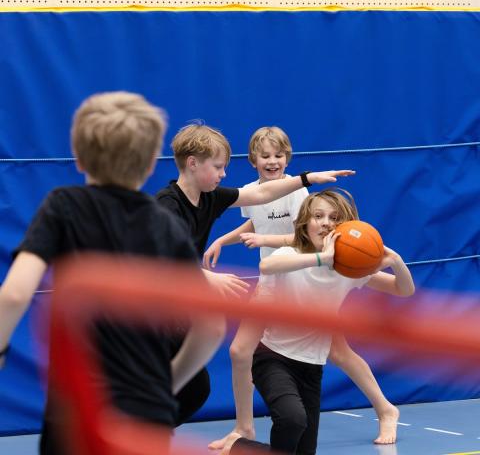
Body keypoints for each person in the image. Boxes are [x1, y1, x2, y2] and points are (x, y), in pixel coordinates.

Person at [0, 92, 226, 454]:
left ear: (78, 156)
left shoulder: (64, 206)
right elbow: (211, 326)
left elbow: (13, 294)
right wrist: (166, 385)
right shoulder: (165, 223)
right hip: (146, 405)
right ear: (152, 162)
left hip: (79, 402)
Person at [207, 128, 401, 449]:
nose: (273, 161)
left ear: (288, 158)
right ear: (253, 160)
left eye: (279, 155)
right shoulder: (252, 192)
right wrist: (223, 240)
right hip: (274, 282)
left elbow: (304, 235)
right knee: (239, 350)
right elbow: (257, 220)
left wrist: (267, 241)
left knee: (338, 351)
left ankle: (385, 408)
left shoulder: (298, 193)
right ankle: (244, 428)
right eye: (266, 156)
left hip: (307, 282)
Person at [156, 122, 355, 425]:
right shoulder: (167, 207)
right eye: (218, 167)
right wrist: (209, 277)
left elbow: (262, 195)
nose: (224, 174)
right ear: (193, 164)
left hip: (177, 311)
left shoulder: (209, 197)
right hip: (150, 312)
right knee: (176, 384)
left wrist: (306, 179)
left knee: (195, 389)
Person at [221, 189, 415, 455]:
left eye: (334, 218)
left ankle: (240, 449)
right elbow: (266, 267)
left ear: (345, 227)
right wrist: (322, 257)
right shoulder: (287, 256)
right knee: (292, 419)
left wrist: (396, 261)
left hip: (312, 366)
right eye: (318, 216)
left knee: (303, 450)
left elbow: (403, 290)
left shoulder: (348, 271)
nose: (325, 222)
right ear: (305, 223)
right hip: (272, 358)